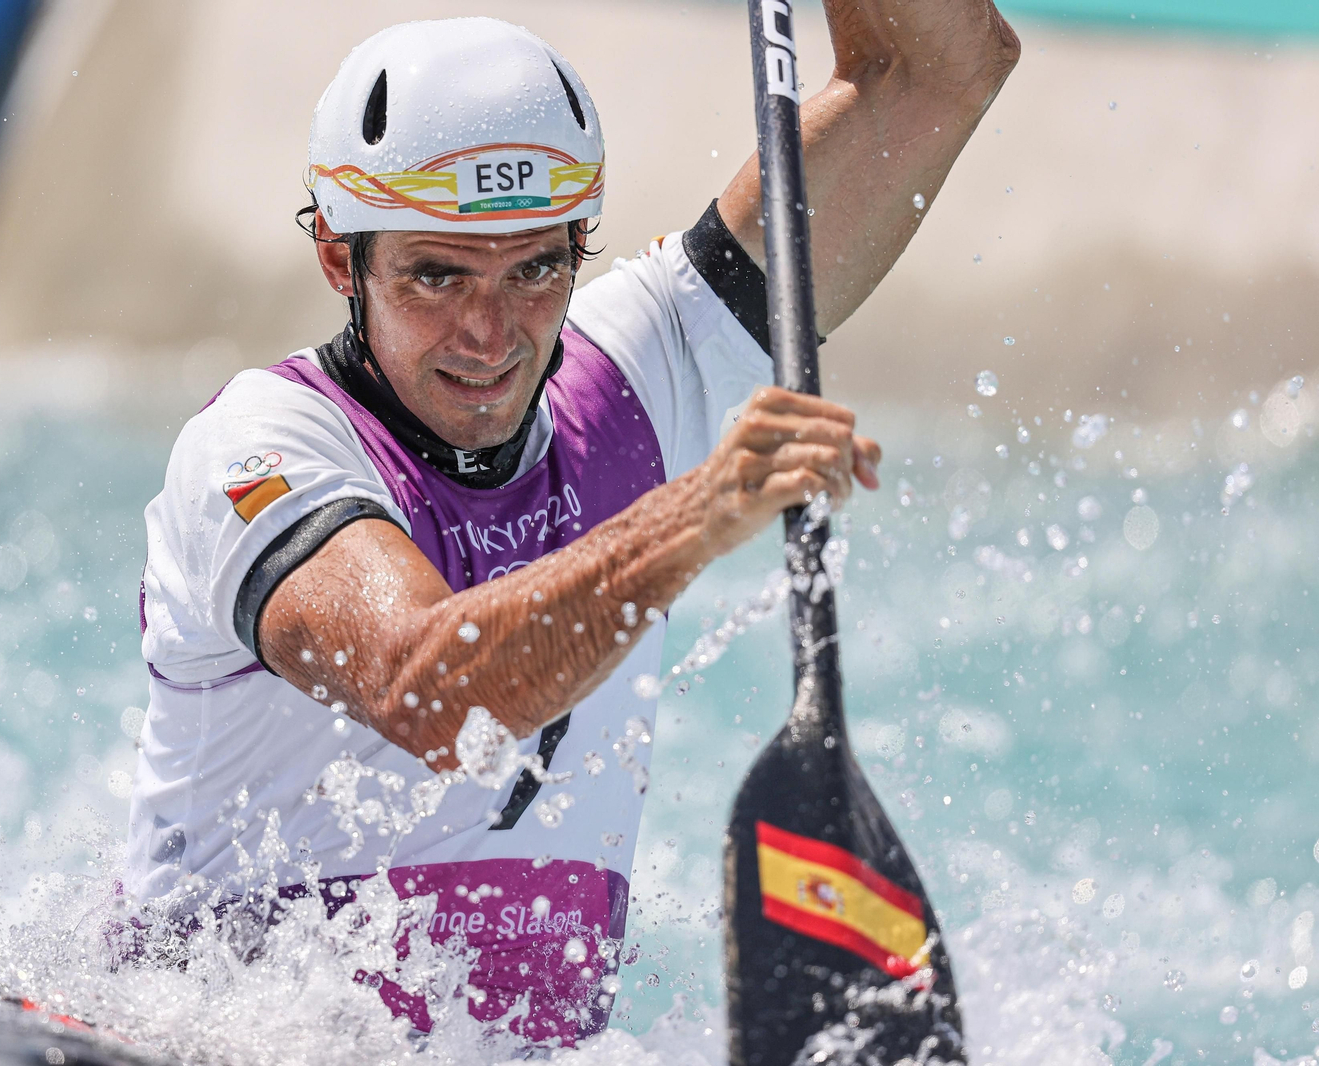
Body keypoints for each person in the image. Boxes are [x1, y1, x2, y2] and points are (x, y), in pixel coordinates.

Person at [130, 6, 1018, 1047]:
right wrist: (692, 516)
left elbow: (936, 71)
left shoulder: (643, 371)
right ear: (339, 257)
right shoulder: (259, 448)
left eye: (536, 268)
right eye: (435, 273)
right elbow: (431, 693)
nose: (489, 331)